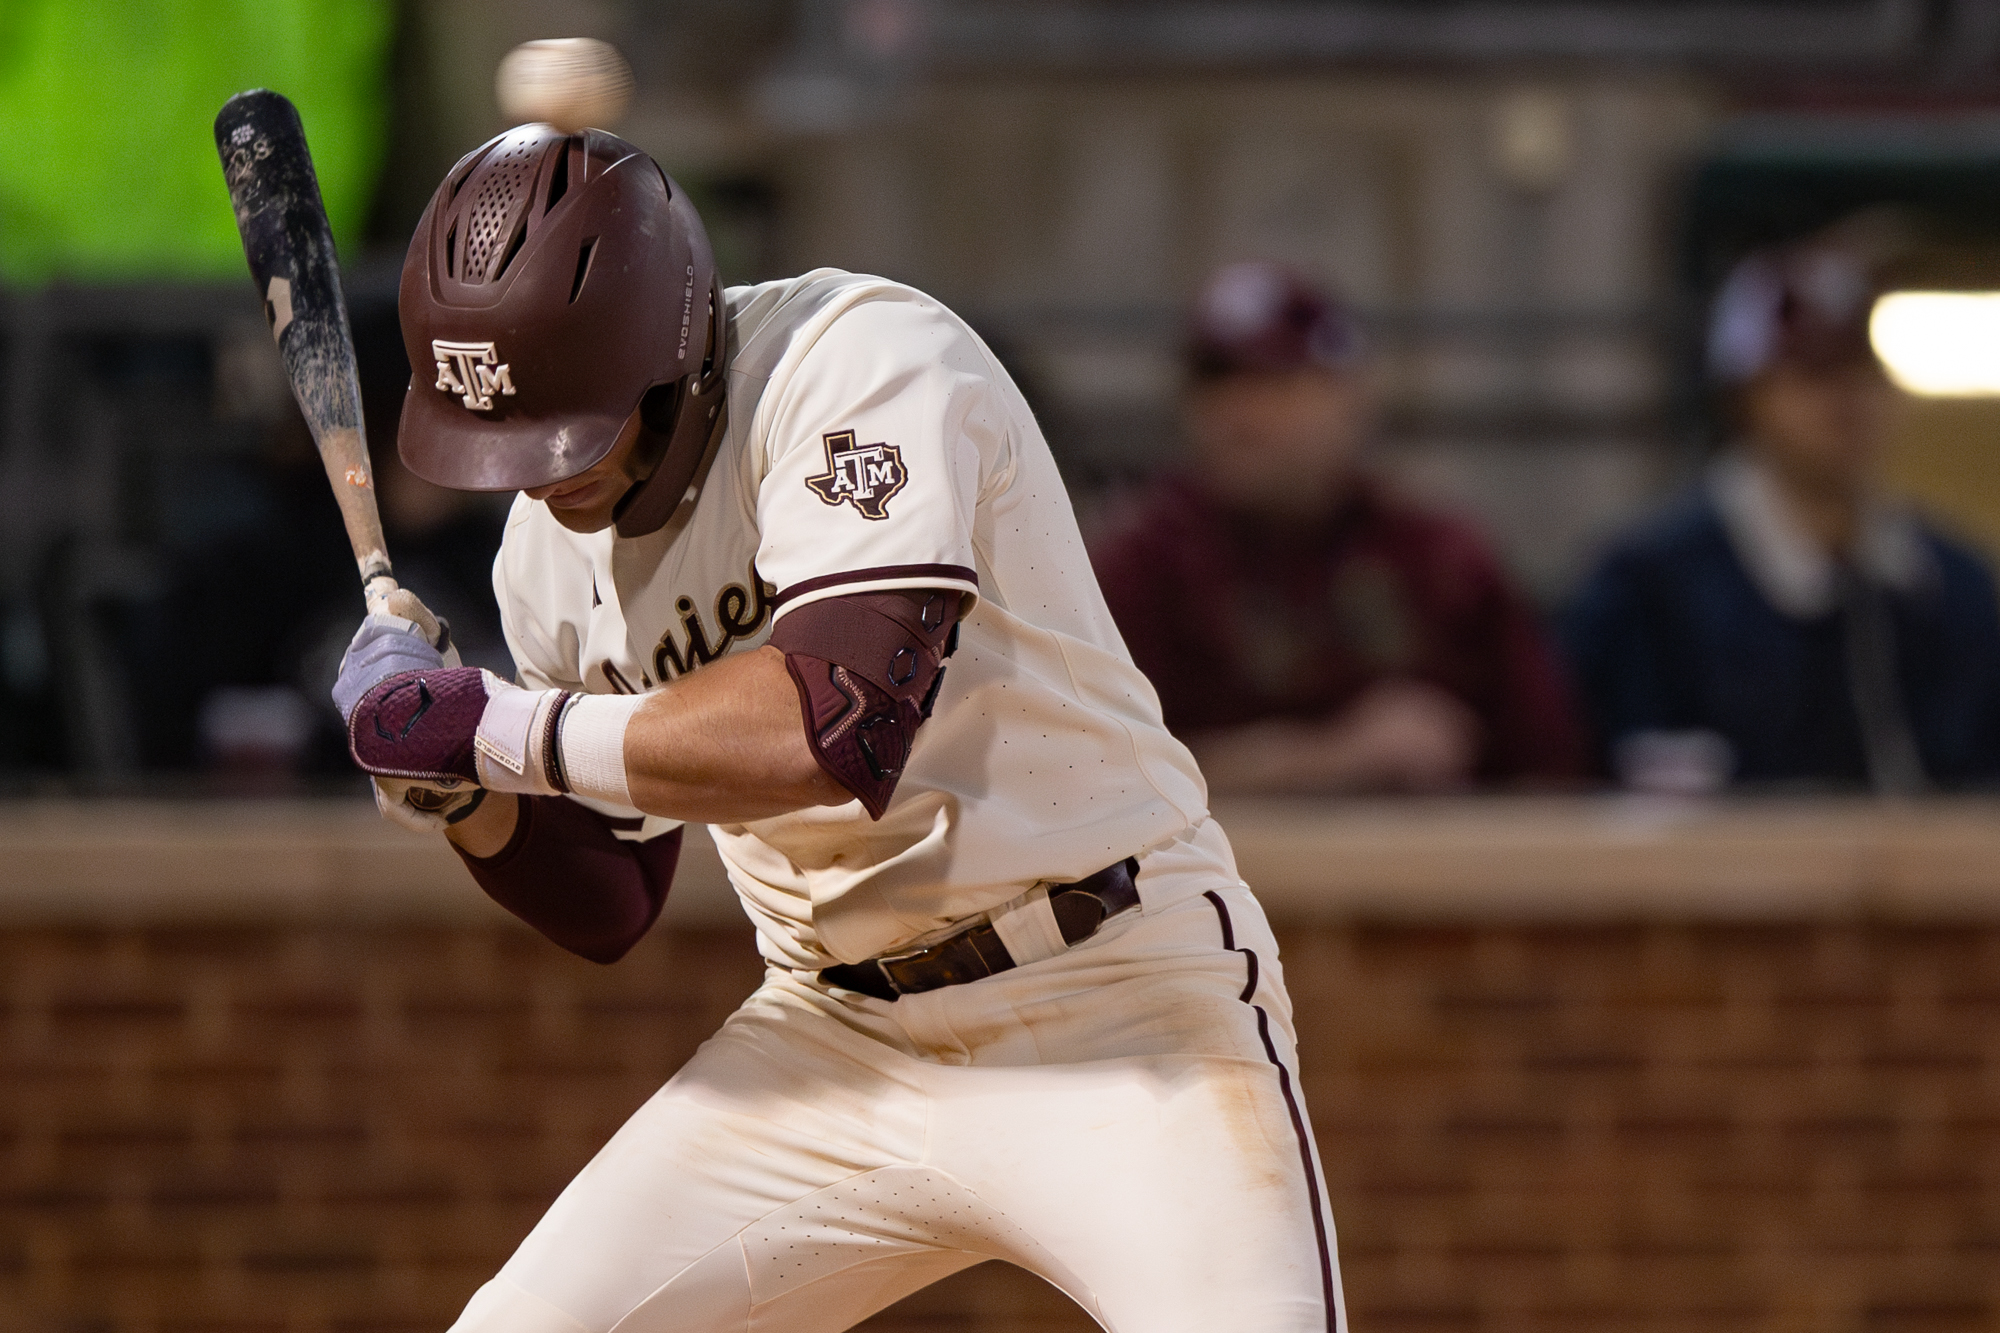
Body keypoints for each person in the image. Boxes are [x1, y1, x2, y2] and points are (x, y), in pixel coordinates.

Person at [329, 126, 1345, 1332]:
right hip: (830, 1034)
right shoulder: (544, 554)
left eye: (569, 429)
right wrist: (461, 794)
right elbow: (613, 895)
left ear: (669, 349)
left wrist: (498, 728)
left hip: (1117, 999)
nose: (540, 480)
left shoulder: (859, 361)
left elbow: (834, 728)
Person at [1090, 262, 1584, 794]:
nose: (1239, 412)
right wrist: (1334, 757)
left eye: (1274, 381)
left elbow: (1557, 770)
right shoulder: (1141, 563)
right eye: (1216, 382)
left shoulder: (1437, 556)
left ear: (1350, 395)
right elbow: (1092, 778)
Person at [1561, 241, 2000, 792]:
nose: (1846, 400)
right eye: (1812, 373)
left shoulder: (1949, 584)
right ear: (1746, 395)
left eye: (1863, 369)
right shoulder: (1649, 585)